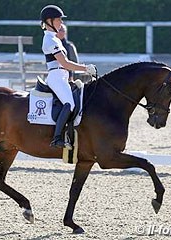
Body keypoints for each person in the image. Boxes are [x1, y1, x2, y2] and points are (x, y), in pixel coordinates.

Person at [40, 5, 97, 149]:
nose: (61, 23)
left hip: (62, 76)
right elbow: (64, 63)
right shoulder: (50, 40)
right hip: (56, 76)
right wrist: (85, 69)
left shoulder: (55, 38)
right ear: (49, 21)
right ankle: (57, 138)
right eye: (59, 19)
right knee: (69, 104)